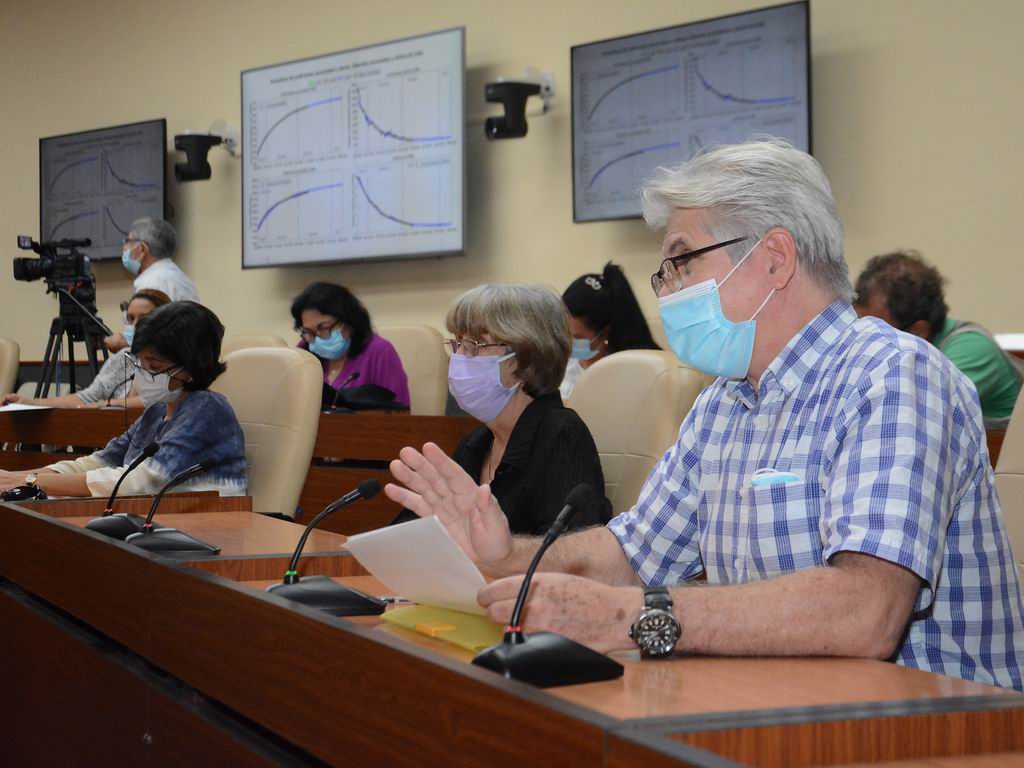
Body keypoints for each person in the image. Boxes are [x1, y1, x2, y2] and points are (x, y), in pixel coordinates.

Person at [384, 139, 1024, 690]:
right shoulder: (722, 401)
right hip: (777, 704)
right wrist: (506, 554)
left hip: (937, 724)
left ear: (774, 258)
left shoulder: (893, 374)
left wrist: (629, 616)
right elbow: (630, 556)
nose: (666, 292)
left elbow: (865, 612)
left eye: (681, 262)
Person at [393, 284, 611, 534]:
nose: (458, 358)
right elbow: (415, 525)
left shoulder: (562, 435)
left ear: (525, 357)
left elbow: (565, 553)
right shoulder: (476, 442)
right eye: (458, 344)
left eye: (474, 345)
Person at [0, 302, 247, 498]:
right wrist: (20, 476)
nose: (141, 372)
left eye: (154, 365)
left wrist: (29, 481)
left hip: (202, 527)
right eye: (139, 362)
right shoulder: (158, 410)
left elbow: (140, 482)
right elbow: (101, 460)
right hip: (153, 522)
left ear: (192, 368)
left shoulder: (208, 408)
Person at [853, 250, 1023, 427]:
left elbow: (906, 415)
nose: (864, 339)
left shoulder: (972, 350)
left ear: (918, 331)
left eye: (877, 331)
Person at [3, 289, 171, 409]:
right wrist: (32, 403)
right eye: (131, 318)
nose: (135, 325)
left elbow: (156, 400)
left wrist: (104, 405)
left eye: (143, 319)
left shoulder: (173, 362)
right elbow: (87, 397)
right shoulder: (122, 358)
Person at [291, 282, 410, 408]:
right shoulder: (304, 352)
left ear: (349, 321)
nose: (317, 338)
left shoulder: (379, 351)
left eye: (324, 328)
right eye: (309, 332)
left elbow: (400, 414)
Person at [560, 262, 661, 399]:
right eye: (562, 331)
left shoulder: (634, 373)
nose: (567, 342)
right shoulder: (561, 365)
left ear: (605, 333)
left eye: (576, 337)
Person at [107, 217, 198, 352]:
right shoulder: (177, 276)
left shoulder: (151, 282)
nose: (124, 247)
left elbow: (151, 343)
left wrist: (122, 345)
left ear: (142, 248)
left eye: (128, 242)